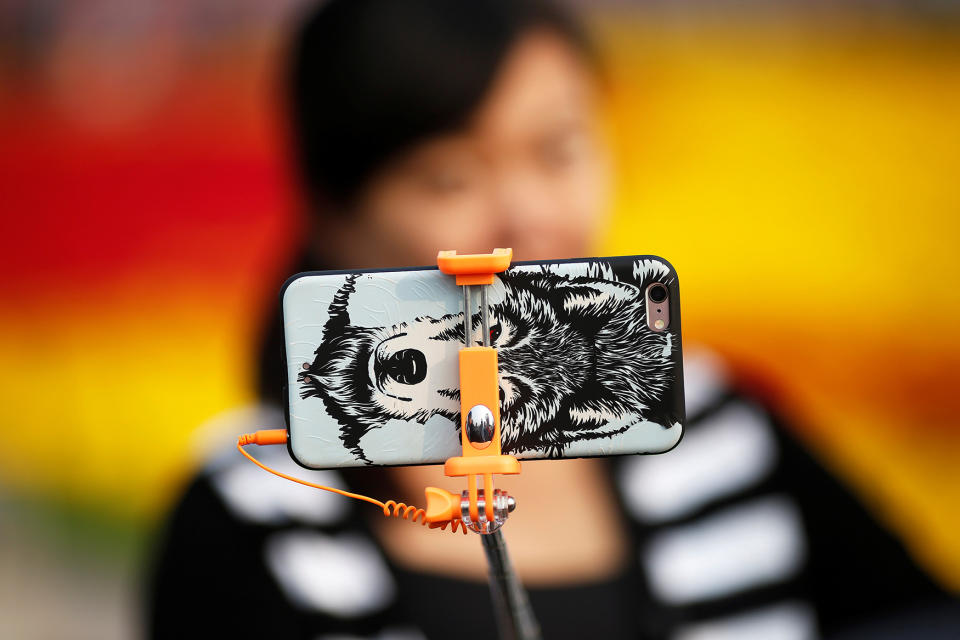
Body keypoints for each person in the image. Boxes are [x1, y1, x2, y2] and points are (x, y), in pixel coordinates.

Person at [146, 1, 950, 638]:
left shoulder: (720, 431)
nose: (527, 216)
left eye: (559, 151)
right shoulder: (261, 511)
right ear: (336, 216)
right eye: (448, 176)